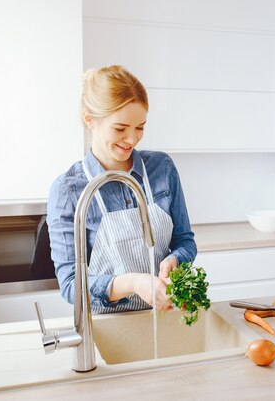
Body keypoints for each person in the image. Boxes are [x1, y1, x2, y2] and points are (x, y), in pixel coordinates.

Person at [47, 65, 197, 314]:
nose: (132, 139)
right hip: (106, 326)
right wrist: (134, 283)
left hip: (162, 315)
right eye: (120, 129)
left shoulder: (162, 168)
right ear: (89, 119)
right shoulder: (68, 191)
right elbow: (71, 286)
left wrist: (174, 260)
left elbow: (185, 241)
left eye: (140, 127)